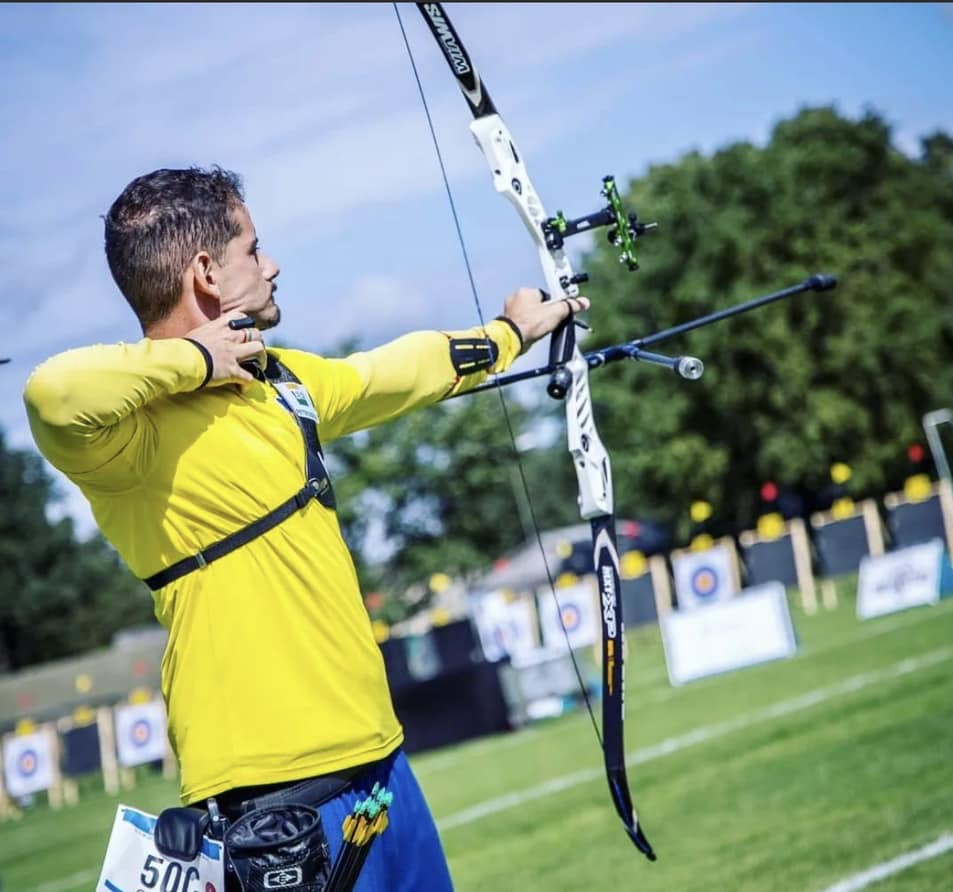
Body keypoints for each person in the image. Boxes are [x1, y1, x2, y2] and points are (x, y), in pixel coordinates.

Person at [22, 166, 588, 890]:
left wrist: (508, 334)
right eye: (253, 250)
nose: (273, 264)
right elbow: (52, 394)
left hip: (380, 764)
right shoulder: (128, 441)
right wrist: (198, 358)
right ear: (206, 273)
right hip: (275, 795)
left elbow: (388, 374)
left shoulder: (281, 384)